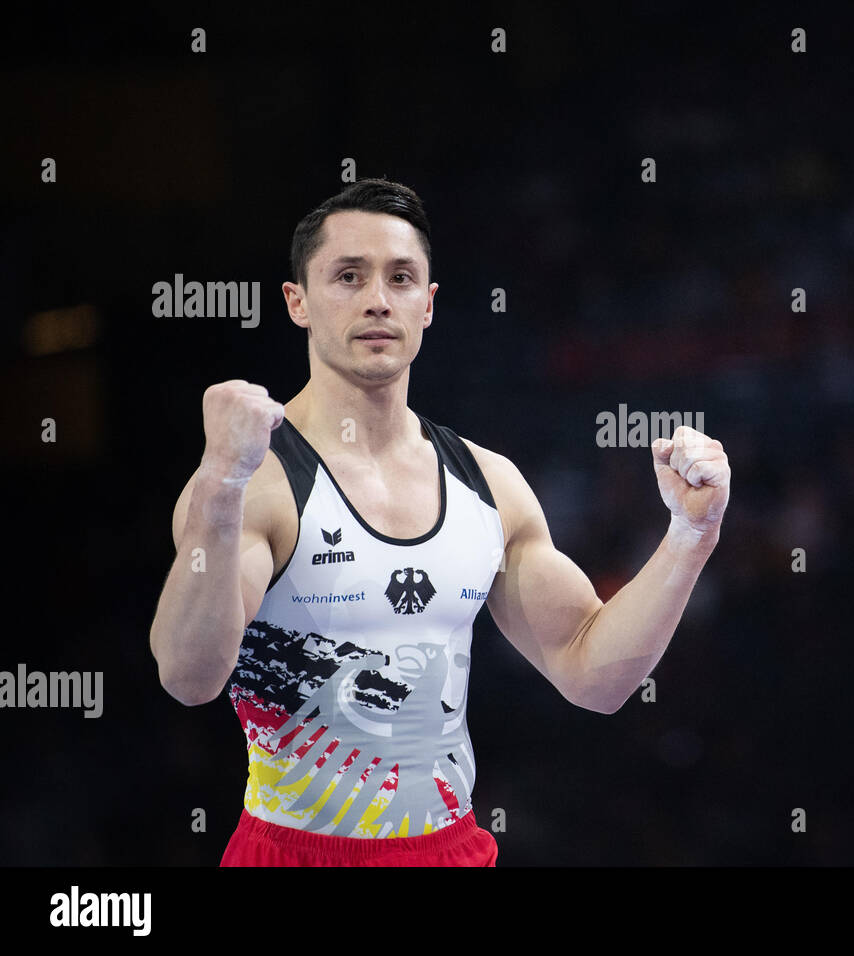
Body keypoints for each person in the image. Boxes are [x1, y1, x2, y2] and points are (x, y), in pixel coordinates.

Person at [147, 178, 731, 866]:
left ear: (428, 306)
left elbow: (593, 675)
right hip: (295, 853)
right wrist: (220, 485)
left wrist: (689, 539)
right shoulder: (258, 484)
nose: (377, 299)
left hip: (449, 851)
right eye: (348, 276)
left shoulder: (488, 484)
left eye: (401, 278)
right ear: (296, 302)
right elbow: (188, 676)